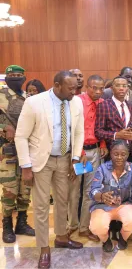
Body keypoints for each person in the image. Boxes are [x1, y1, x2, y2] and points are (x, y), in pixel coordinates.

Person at [15, 71, 85, 269]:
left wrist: (75, 158)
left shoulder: (76, 102)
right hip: (40, 161)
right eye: (70, 88)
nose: (74, 91)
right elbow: (21, 136)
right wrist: (26, 166)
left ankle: (62, 237)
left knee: (64, 200)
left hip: (65, 159)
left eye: (76, 88)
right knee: (41, 205)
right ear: (57, 85)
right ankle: (44, 248)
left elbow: (79, 132)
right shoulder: (35, 102)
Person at [68, 75, 108, 242]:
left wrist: (103, 144)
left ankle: (84, 228)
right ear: (87, 87)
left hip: (95, 152)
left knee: (90, 191)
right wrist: (80, 153)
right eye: (94, 88)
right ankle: (71, 226)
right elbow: (71, 129)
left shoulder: (103, 104)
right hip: (78, 154)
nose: (98, 92)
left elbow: (103, 127)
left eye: (101, 88)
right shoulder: (76, 102)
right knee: (73, 191)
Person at [89, 140, 132, 252]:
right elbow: (93, 191)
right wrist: (102, 196)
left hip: (124, 204)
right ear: (110, 153)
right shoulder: (102, 169)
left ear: (128, 154)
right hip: (102, 206)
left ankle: (123, 238)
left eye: (123, 154)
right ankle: (105, 240)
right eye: (116, 154)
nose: (119, 157)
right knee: (97, 226)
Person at [0, 65, 34, 243]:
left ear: (24, 77)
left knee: (25, 188)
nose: (15, 77)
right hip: (7, 152)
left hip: (27, 151)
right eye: (12, 75)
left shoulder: (28, 98)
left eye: (19, 75)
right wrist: (3, 128)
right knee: (9, 190)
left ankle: (22, 222)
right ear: (6, 77)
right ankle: (7, 225)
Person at [95, 76, 132, 151]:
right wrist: (116, 135)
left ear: (127, 89)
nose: (121, 88)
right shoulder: (104, 105)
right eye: (118, 85)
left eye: (124, 86)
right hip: (112, 151)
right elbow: (98, 132)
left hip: (129, 151)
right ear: (112, 89)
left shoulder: (129, 106)